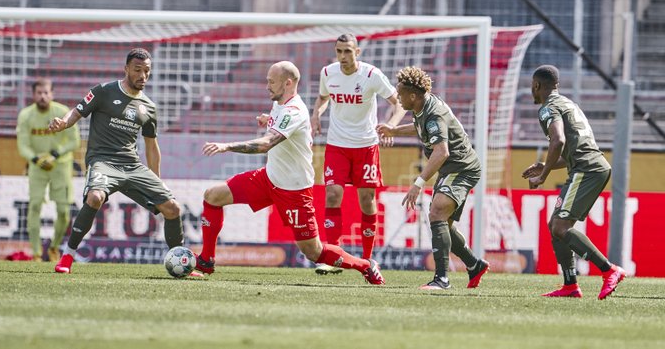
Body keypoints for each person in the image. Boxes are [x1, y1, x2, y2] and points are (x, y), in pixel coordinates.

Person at [195, 61, 385, 285]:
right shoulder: (280, 104)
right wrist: (270, 119)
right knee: (213, 196)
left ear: (287, 83)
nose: (267, 86)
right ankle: (205, 260)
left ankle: (365, 265)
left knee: (314, 252)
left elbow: (266, 144)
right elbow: (282, 125)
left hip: (294, 191)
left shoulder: (294, 111)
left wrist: (227, 146)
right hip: (268, 178)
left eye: (271, 82)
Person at [49, 48, 187, 274]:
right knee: (95, 197)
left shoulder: (149, 107)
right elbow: (77, 110)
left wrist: (156, 182)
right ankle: (68, 256)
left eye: (147, 71)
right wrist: (64, 123)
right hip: (103, 161)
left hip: (132, 166)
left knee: (172, 208)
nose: (143, 76)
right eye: (137, 70)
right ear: (126, 69)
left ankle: (181, 262)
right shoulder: (104, 91)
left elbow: (152, 146)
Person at [376, 66, 489, 290]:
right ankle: (473, 265)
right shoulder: (422, 106)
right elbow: (421, 127)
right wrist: (394, 130)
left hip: (461, 167)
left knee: (436, 211)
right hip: (451, 168)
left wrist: (418, 184)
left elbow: (441, 151)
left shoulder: (433, 114)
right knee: (443, 222)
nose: (398, 98)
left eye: (400, 94)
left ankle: (442, 279)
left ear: (412, 96)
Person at [522, 65, 625, 299]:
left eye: (532, 86)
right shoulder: (568, 103)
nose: (532, 90)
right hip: (589, 165)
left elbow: (557, 140)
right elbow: (573, 149)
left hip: (586, 169)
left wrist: (543, 175)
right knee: (555, 225)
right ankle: (570, 285)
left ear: (537, 85)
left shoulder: (548, 108)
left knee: (560, 226)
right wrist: (544, 165)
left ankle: (609, 270)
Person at [310, 33, 406, 275]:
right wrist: (316, 114)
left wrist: (392, 125)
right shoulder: (328, 73)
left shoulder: (371, 75)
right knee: (332, 195)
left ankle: (367, 260)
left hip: (366, 146)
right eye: (339, 51)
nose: (342, 57)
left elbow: (399, 103)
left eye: (347, 51)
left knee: (366, 200)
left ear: (357, 52)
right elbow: (323, 97)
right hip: (337, 145)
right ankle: (333, 256)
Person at [16, 78, 80, 263]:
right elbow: (23, 146)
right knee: (34, 205)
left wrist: (55, 154)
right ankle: (36, 253)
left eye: (46, 93)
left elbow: (74, 142)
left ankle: (53, 248)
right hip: (37, 167)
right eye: (39, 93)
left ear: (52, 94)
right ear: (33, 94)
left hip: (60, 166)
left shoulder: (62, 113)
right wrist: (36, 159)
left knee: (63, 210)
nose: (43, 96)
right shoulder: (25, 116)